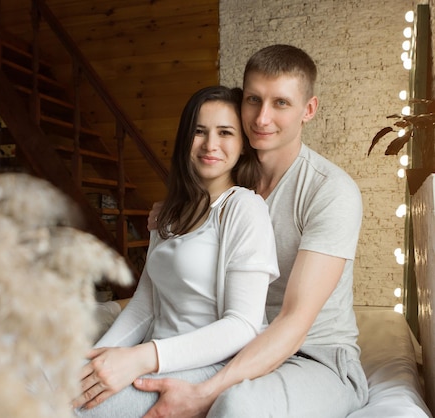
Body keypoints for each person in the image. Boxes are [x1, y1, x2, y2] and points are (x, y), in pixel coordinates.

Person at [135, 44, 369, 418]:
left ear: (308, 110)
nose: (262, 118)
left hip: (314, 357)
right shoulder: (223, 179)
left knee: (237, 406)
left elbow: (294, 322)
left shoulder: (330, 191)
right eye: (253, 100)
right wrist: (174, 215)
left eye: (281, 103)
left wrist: (204, 393)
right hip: (236, 345)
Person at [72, 86, 280, 417]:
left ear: (242, 146)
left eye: (225, 133)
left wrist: (140, 358)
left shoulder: (244, 208)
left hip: (209, 364)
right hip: (154, 355)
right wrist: (96, 360)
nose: (210, 144)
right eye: (199, 132)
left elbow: (242, 325)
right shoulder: (167, 212)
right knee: (46, 384)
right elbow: (144, 306)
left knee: (76, 410)